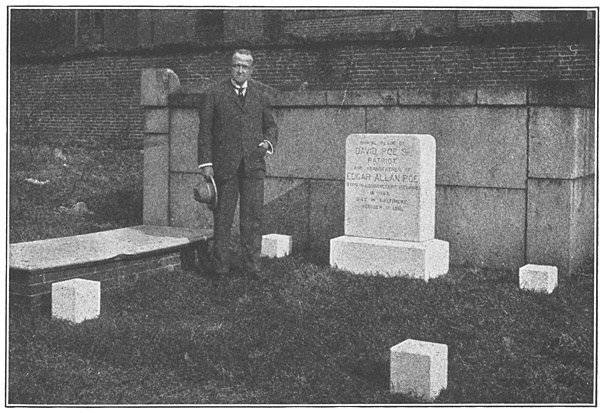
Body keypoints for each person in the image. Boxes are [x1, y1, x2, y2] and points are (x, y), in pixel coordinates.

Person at [198, 49, 278, 280]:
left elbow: (271, 126)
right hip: (225, 167)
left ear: (252, 70)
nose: (240, 70)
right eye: (236, 66)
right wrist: (206, 164)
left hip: (253, 166)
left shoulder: (260, 94)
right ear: (230, 67)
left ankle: (252, 267)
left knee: (252, 218)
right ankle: (220, 268)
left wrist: (266, 144)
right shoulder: (215, 93)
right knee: (223, 218)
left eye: (245, 67)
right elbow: (205, 132)